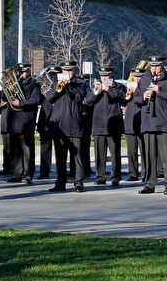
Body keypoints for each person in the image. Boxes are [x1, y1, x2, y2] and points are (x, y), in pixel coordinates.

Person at [133, 55, 167, 195]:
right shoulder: (144, 79)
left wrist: (159, 90)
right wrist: (143, 97)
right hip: (148, 122)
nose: (154, 69)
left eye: (156, 66)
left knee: (166, 156)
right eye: (152, 66)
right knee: (149, 155)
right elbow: (136, 98)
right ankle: (150, 184)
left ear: (162, 66)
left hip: (164, 122)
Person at [46, 60, 89, 192]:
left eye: (69, 70)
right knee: (60, 157)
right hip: (60, 126)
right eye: (65, 70)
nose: (67, 73)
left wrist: (69, 85)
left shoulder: (81, 83)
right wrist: (58, 87)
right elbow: (49, 98)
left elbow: (78, 98)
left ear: (73, 71)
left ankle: (79, 182)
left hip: (75, 124)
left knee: (78, 157)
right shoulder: (56, 83)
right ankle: (60, 182)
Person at [84, 66, 125, 186]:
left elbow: (123, 99)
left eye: (106, 76)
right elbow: (88, 102)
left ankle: (115, 176)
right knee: (99, 153)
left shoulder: (118, 87)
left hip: (114, 124)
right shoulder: (96, 87)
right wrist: (97, 91)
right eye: (102, 76)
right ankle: (100, 176)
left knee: (115, 153)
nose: (104, 78)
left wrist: (109, 90)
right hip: (98, 124)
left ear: (111, 76)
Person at [2, 63, 41, 184]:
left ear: (29, 71)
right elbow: (4, 97)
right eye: (20, 72)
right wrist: (6, 87)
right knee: (15, 150)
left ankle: (29, 174)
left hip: (26, 120)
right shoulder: (15, 83)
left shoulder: (34, 84)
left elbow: (36, 100)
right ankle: (16, 173)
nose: (21, 74)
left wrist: (21, 104)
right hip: (14, 121)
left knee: (27, 149)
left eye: (24, 72)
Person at [123, 67, 146, 181]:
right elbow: (123, 101)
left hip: (143, 122)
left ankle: (145, 173)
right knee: (131, 151)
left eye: (139, 77)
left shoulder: (146, 87)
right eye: (135, 77)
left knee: (144, 151)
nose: (137, 79)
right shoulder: (128, 87)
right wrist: (128, 92)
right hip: (130, 122)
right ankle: (133, 173)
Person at [37, 66, 60, 179]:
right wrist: (41, 89)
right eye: (51, 75)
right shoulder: (43, 87)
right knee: (45, 147)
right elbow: (38, 100)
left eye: (55, 75)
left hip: (58, 120)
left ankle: (60, 171)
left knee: (60, 147)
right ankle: (44, 172)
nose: (53, 77)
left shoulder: (61, 86)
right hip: (45, 119)